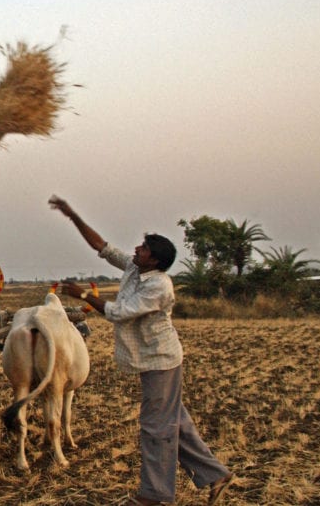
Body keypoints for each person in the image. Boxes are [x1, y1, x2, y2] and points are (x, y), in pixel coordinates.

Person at [48, 195, 234, 506]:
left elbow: (120, 312)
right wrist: (73, 216)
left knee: (156, 426)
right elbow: (103, 248)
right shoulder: (134, 269)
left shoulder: (159, 286)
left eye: (144, 248)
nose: (137, 249)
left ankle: (156, 495)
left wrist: (83, 295)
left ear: (155, 261)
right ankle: (215, 475)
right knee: (173, 420)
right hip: (150, 360)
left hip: (160, 362)